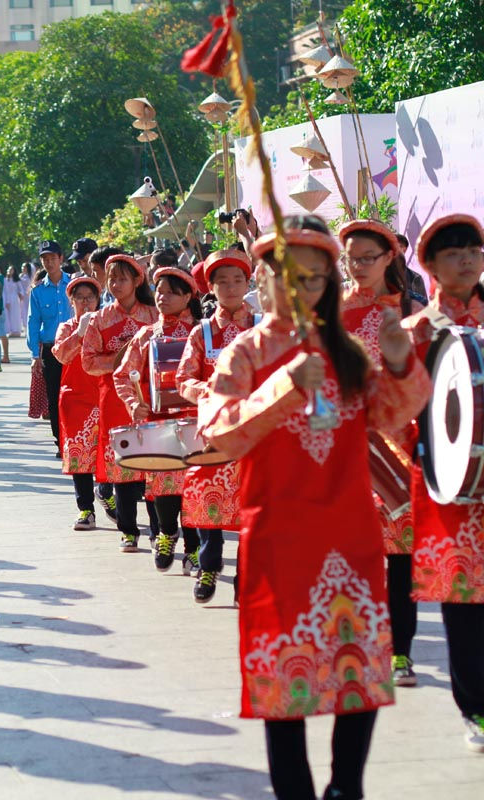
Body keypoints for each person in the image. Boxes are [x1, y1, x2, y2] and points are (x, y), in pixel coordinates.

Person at [201, 215, 429, 799]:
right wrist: (284, 387)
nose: (303, 290)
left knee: (359, 668)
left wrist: (403, 363)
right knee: (284, 679)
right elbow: (220, 432)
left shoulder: (346, 349)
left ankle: (346, 786)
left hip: (349, 531)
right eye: (289, 278)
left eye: (315, 279)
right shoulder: (245, 353)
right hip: (278, 533)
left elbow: (390, 415)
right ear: (263, 279)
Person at [402, 213, 484, 752]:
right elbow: (391, 410)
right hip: (451, 486)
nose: (467, 259)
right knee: (465, 602)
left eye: (474, 249)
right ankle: (476, 708)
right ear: (429, 266)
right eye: (453, 252)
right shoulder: (415, 333)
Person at [338, 219, 424, 687]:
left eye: (367, 257)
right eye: (350, 258)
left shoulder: (411, 309)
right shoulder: (330, 310)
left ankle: (401, 652)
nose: (357, 267)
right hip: (346, 447)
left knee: (401, 556)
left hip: (398, 446)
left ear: (389, 257)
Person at [175, 250, 257, 603]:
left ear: (248, 284)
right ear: (211, 288)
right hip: (212, 432)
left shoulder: (262, 328)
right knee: (208, 503)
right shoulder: (202, 333)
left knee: (252, 509)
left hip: (255, 432)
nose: (230, 287)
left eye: (237, 280)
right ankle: (208, 565)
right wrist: (208, 389)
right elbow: (183, 379)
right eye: (222, 281)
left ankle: (246, 577)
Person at [114, 265, 201, 566]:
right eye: (159, 290)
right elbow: (122, 375)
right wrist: (133, 404)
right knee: (164, 481)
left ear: (188, 296)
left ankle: (193, 548)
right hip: (159, 420)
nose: (162, 297)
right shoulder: (146, 335)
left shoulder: (200, 334)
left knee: (192, 484)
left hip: (195, 420)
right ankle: (165, 533)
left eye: (171, 292)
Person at [80, 254, 157, 552]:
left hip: (149, 398)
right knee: (121, 465)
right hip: (113, 398)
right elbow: (88, 362)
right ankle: (128, 529)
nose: (116, 284)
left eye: (122, 278)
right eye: (111, 278)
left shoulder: (153, 316)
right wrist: (119, 358)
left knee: (153, 462)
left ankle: (159, 527)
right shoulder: (99, 319)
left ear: (137, 280)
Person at [52, 275, 102, 531]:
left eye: (90, 297)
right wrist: (80, 333)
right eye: (79, 298)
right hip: (75, 397)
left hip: (104, 396)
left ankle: (108, 492)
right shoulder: (66, 327)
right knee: (80, 455)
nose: (85, 302)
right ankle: (86, 509)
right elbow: (61, 354)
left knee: (107, 453)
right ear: (71, 301)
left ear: (97, 300)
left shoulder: (106, 323)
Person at [27, 240, 72, 451]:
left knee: (73, 395)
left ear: (61, 259)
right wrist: (35, 355)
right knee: (54, 395)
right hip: (51, 349)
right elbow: (33, 322)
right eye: (45, 259)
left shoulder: (73, 285)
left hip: (74, 348)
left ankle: (75, 436)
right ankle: (60, 440)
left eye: (53, 258)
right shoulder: (37, 291)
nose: (49, 262)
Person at [3, 264, 28, 339]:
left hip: (14, 298)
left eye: (11, 270)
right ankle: (10, 330)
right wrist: (6, 300)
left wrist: (21, 294)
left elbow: (21, 289)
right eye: (9, 270)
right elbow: (5, 291)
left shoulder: (17, 280)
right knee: (8, 314)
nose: (10, 271)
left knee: (15, 314)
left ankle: (16, 331)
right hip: (7, 298)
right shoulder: (5, 280)